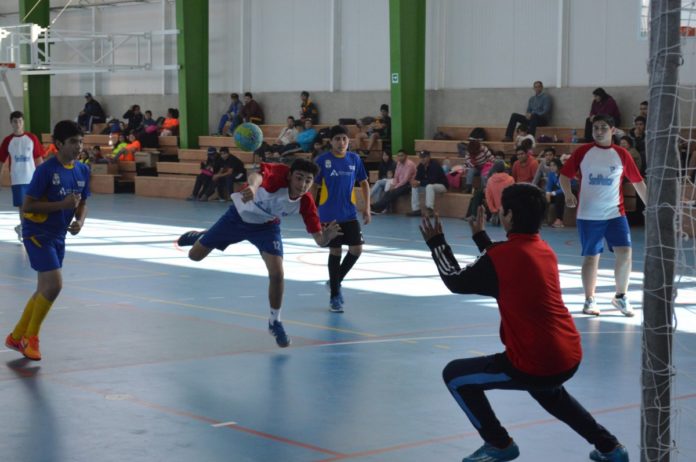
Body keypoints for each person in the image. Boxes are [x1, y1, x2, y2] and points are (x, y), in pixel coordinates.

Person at [419, 183, 630, 462]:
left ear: (508, 216)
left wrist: (437, 243)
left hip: (534, 362)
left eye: (503, 210)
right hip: (569, 354)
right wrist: (481, 237)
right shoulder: (543, 250)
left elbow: (456, 280)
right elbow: (506, 266)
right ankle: (609, 447)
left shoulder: (502, 257)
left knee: (455, 376)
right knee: (548, 392)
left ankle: (499, 444)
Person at [176, 160, 342, 348]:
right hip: (237, 218)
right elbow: (257, 175)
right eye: (299, 178)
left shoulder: (306, 202)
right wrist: (254, 187)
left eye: (308, 181)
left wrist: (326, 237)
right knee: (194, 256)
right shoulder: (278, 177)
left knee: (277, 274)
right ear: (290, 176)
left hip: (266, 228)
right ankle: (202, 236)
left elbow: (319, 240)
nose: (303, 184)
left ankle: (275, 321)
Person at [4, 120, 90, 361]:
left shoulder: (82, 170)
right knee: (54, 285)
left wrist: (80, 222)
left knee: (44, 288)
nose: (78, 146)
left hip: (59, 234)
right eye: (73, 142)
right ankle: (30, 339)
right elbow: (29, 204)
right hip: (38, 233)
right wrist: (60, 206)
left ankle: (15, 336)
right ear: (59, 144)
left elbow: (83, 202)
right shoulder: (46, 171)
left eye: (81, 142)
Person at [560, 114, 647, 317]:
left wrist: (651, 208)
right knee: (592, 257)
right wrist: (568, 193)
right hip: (589, 215)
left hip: (615, 214)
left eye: (603, 128)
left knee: (625, 253)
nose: (599, 131)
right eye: (595, 128)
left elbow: (638, 183)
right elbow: (564, 176)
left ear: (613, 130)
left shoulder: (622, 154)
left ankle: (620, 297)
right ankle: (589, 299)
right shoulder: (583, 152)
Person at [313, 125, 370, 313]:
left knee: (357, 249)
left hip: (349, 214)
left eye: (344, 139)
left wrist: (367, 207)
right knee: (335, 252)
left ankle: (334, 282)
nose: (341, 142)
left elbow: (364, 183)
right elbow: (313, 186)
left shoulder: (354, 159)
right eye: (337, 139)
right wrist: (312, 210)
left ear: (349, 141)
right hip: (329, 215)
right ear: (331, 141)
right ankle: (334, 297)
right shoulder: (322, 161)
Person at [0, 111, 45, 242]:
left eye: (20, 121)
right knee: (23, 206)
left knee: (35, 205)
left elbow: (38, 159)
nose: (18, 124)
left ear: (23, 122)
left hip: (32, 178)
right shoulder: (7, 141)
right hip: (17, 179)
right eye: (15, 121)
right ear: (11, 123)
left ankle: (24, 227)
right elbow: (2, 162)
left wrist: (43, 177)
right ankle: (25, 230)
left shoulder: (32, 138)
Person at [371, 149, 417, 214]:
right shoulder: (398, 164)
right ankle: (378, 208)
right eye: (398, 156)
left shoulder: (409, 165)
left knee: (393, 192)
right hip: (400, 184)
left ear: (406, 156)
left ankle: (375, 207)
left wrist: (395, 187)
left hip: (408, 185)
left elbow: (405, 180)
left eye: (402, 156)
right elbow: (396, 177)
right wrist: (393, 184)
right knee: (388, 192)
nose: (400, 157)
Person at [407, 150, 448, 217]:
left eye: (424, 157)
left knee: (429, 186)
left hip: (441, 186)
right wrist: (415, 182)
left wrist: (419, 182)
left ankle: (430, 210)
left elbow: (432, 180)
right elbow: (418, 178)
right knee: (414, 187)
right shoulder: (420, 166)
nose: (422, 159)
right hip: (429, 185)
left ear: (429, 157)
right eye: (421, 157)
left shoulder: (435, 165)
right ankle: (416, 210)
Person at [484, 160, 514, 226]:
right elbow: (513, 197)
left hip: (496, 209)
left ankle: (496, 215)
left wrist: (493, 210)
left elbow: (488, 197)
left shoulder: (490, 180)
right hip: (507, 210)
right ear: (504, 168)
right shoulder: (511, 179)